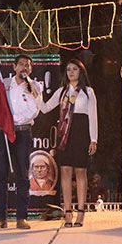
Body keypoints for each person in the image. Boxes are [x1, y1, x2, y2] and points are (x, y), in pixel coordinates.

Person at [37, 58, 98, 227]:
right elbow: (45, 107)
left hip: (81, 131)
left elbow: (93, 116)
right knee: (65, 171)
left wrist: (94, 139)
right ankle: (68, 213)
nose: (71, 72)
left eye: (75, 69)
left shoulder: (88, 92)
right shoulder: (61, 92)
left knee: (80, 172)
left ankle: (81, 212)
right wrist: (35, 93)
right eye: (69, 69)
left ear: (81, 72)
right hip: (65, 133)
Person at [0, 54, 42, 230]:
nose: (24, 68)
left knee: (22, 175)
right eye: (20, 64)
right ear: (14, 67)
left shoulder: (34, 87)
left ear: (31, 69)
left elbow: (34, 110)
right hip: (2, 133)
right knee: (0, 174)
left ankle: (21, 217)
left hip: (22, 132)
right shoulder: (3, 84)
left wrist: (14, 120)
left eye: (27, 65)